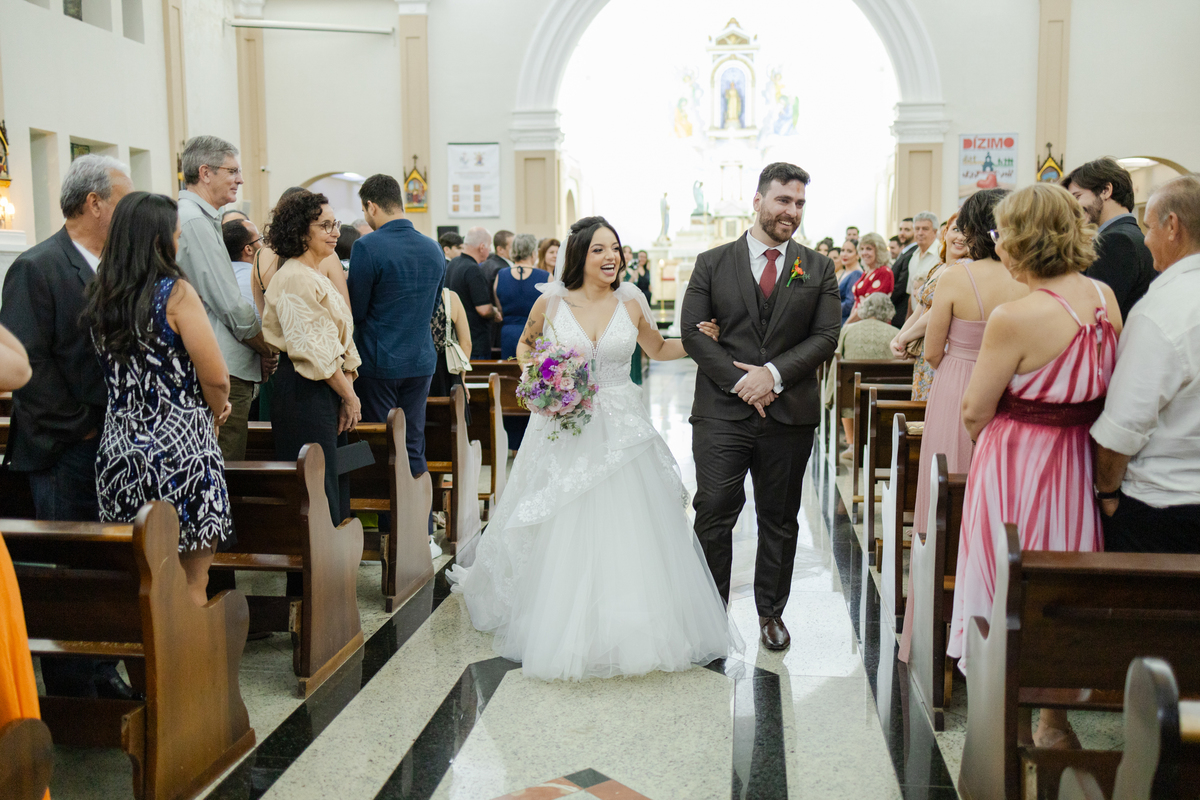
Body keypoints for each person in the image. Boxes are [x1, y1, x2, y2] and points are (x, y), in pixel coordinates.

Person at [447, 215, 736, 681]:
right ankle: (556, 617)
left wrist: (699, 342)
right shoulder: (552, 302)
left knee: (630, 528)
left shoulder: (632, 299)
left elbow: (658, 349)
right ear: (580, 254)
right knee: (562, 522)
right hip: (567, 428)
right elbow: (525, 346)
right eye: (600, 249)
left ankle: (629, 623)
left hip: (623, 429)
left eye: (616, 249)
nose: (611, 257)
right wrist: (540, 379)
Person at [950, 184, 1122, 748]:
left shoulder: (1016, 316)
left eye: (1001, 234)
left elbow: (975, 409)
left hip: (1017, 462)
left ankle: (1009, 722)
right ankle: (1055, 721)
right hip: (1077, 459)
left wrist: (995, 447)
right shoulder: (1104, 297)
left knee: (1006, 578)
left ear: (1020, 240)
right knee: (1063, 578)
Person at [683, 162, 842, 651]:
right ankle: (710, 614)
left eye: (799, 204)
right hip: (722, 411)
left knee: (779, 515)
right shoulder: (712, 262)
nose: (791, 212)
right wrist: (743, 382)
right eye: (782, 201)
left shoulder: (817, 267)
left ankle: (771, 612)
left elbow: (826, 335)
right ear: (758, 200)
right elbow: (692, 332)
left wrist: (771, 376)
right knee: (713, 509)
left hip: (788, 411)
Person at [0, 155, 136, 701]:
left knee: (106, 564)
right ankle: (74, 689)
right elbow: (30, 367)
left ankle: (103, 670)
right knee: (72, 569)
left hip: (112, 444)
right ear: (94, 203)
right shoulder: (37, 267)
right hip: (64, 447)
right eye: (122, 200)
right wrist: (84, 428)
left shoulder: (114, 267)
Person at [84, 192, 234, 606]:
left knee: (142, 582)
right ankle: (185, 673)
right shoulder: (176, 294)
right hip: (181, 451)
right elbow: (216, 375)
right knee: (190, 580)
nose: (180, 235)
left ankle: (149, 670)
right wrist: (218, 408)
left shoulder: (100, 295)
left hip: (120, 454)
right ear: (156, 238)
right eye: (174, 229)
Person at [897, 192, 1028, 662]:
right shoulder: (1027, 279)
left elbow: (932, 352)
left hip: (956, 390)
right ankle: (993, 633)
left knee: (944, 505)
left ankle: (936, 634)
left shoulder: (955, 277)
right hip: (1009, 392)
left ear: (970, 228)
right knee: (998, 507)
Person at [1093, 175, 1200, 552]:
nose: (1146, 240)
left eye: (1149, 227)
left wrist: (1106, 494)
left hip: (1170, 509)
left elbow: (1123, 426)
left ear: (1173, 227)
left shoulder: (1163, 311)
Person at [262, 190, 362, 524]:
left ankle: (336, 566)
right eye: (325, 226)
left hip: (329, 388)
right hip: (304, 391)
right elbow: (314, 350)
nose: (335, 232)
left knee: (334, 480)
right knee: (316, 489)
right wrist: (350, 397)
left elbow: (341, 339)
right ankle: (313, 574)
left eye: (336, 224)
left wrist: (348, 385)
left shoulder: (315, 275)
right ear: (302, 232)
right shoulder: (293, 277)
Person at [176, 136, 276, 461]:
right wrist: (267, 347)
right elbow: (229, 303)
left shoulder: (204, 218)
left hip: (228, 361)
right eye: (232, 171)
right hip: (223, 365)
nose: (241, 179)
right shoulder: (193, 220)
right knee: (226, 467)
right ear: (205, 172)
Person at [349, 174, 447, 476]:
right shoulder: (434, 248)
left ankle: (390, 518)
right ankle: (422, 520)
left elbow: (356, 310)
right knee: (413, 440)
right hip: (421, 359)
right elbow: (433, 308)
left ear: (371, 206)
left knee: (384, 442)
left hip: (380, 360)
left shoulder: (367, 246)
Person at [1062, 157, 1157, 320]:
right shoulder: (1131, 234)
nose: (1072, 208)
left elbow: (1095, 315)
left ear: (1106, 190)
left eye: (1077, 197)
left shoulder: (1116, 240)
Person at [892, 211, 972, 400]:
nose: (960, 237)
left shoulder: (965, 267)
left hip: (942, 349)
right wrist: (896, 338)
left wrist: (906, 338)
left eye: (967, 233)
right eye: (956, 229)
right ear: (945, 232)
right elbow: (920, 309)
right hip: (924, 351)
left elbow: (937, 311)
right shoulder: (938, 267)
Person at [251, 186, 351, 318]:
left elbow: (264, 313)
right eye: (324, 225)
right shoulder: (326, 256)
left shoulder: (260, 255)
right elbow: (345, 312)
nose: (336, 233)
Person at [493, 234, 549, 446]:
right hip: (535, 337)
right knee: (536, 383)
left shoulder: (501, 275)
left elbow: (499, 304)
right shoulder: (545, 276)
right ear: (534, 252)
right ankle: (534, 439)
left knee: (512, 387)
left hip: (508, 334)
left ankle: (514, 443)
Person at [446, 227, 498, 360]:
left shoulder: (452, 264)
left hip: (455, 338)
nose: (490, 250)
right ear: (482, 247)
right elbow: (483, 310)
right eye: (489, 246)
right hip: (475, 341)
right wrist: (495, 312)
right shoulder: (473, 270)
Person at [847, 236, 894, 321]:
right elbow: (857, 302)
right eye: (861, 249)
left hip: (871, 325)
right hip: (857, 323)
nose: (864, 252)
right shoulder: (867, 271)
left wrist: (847, 325)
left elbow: (869, 306)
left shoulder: (884, 272)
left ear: (879, 251)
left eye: (869, 249)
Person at [223, 217, 263, 313]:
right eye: (260, 239)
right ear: (248, 249)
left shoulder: (220, 277)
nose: (263, 245)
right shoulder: (257, 279)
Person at [889, 217, 917, 327]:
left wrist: (887, 300)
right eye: (900, 229)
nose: (902, 233)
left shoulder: (912, 253)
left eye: (907, 230)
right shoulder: (905, 252)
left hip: (901, 308)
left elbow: (902, 284)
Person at [907, 211, 941, 299]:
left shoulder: (942, 254)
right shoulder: (914, 256)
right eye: (917, 229)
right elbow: (911, 293)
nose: (920, 233)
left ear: (935, 231)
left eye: (925, 229)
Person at [834, 239, 863, 325]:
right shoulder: (844, 272)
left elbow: (849, 304)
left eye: (849, 251)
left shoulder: (856, 274)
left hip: (845, 321)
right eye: (843, 250)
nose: (844, 254)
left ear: (858, 255)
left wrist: (829, 309)